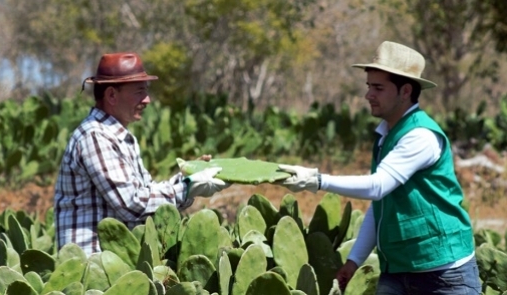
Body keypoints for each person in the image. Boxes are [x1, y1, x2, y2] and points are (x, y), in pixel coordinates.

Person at [278, 41, 481, 294]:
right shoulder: (387, 135)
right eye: (368, 86)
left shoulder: (420, 136)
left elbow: (377, 187)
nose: (368, 95)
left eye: (378, 88)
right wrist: (353, 263)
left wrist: (317, 181)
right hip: (396, 270)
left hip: (443, 274)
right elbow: (381, 205)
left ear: (405, 91)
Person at [54, 52, 229, 255]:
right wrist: (189, 187)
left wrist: (188, 178)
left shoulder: (120, 136)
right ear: (111, 95)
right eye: (139, 91)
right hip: (90, 266)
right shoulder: (95, 137)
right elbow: (132, 204)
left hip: (113, 262)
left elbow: (145, 191)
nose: (147, 100)